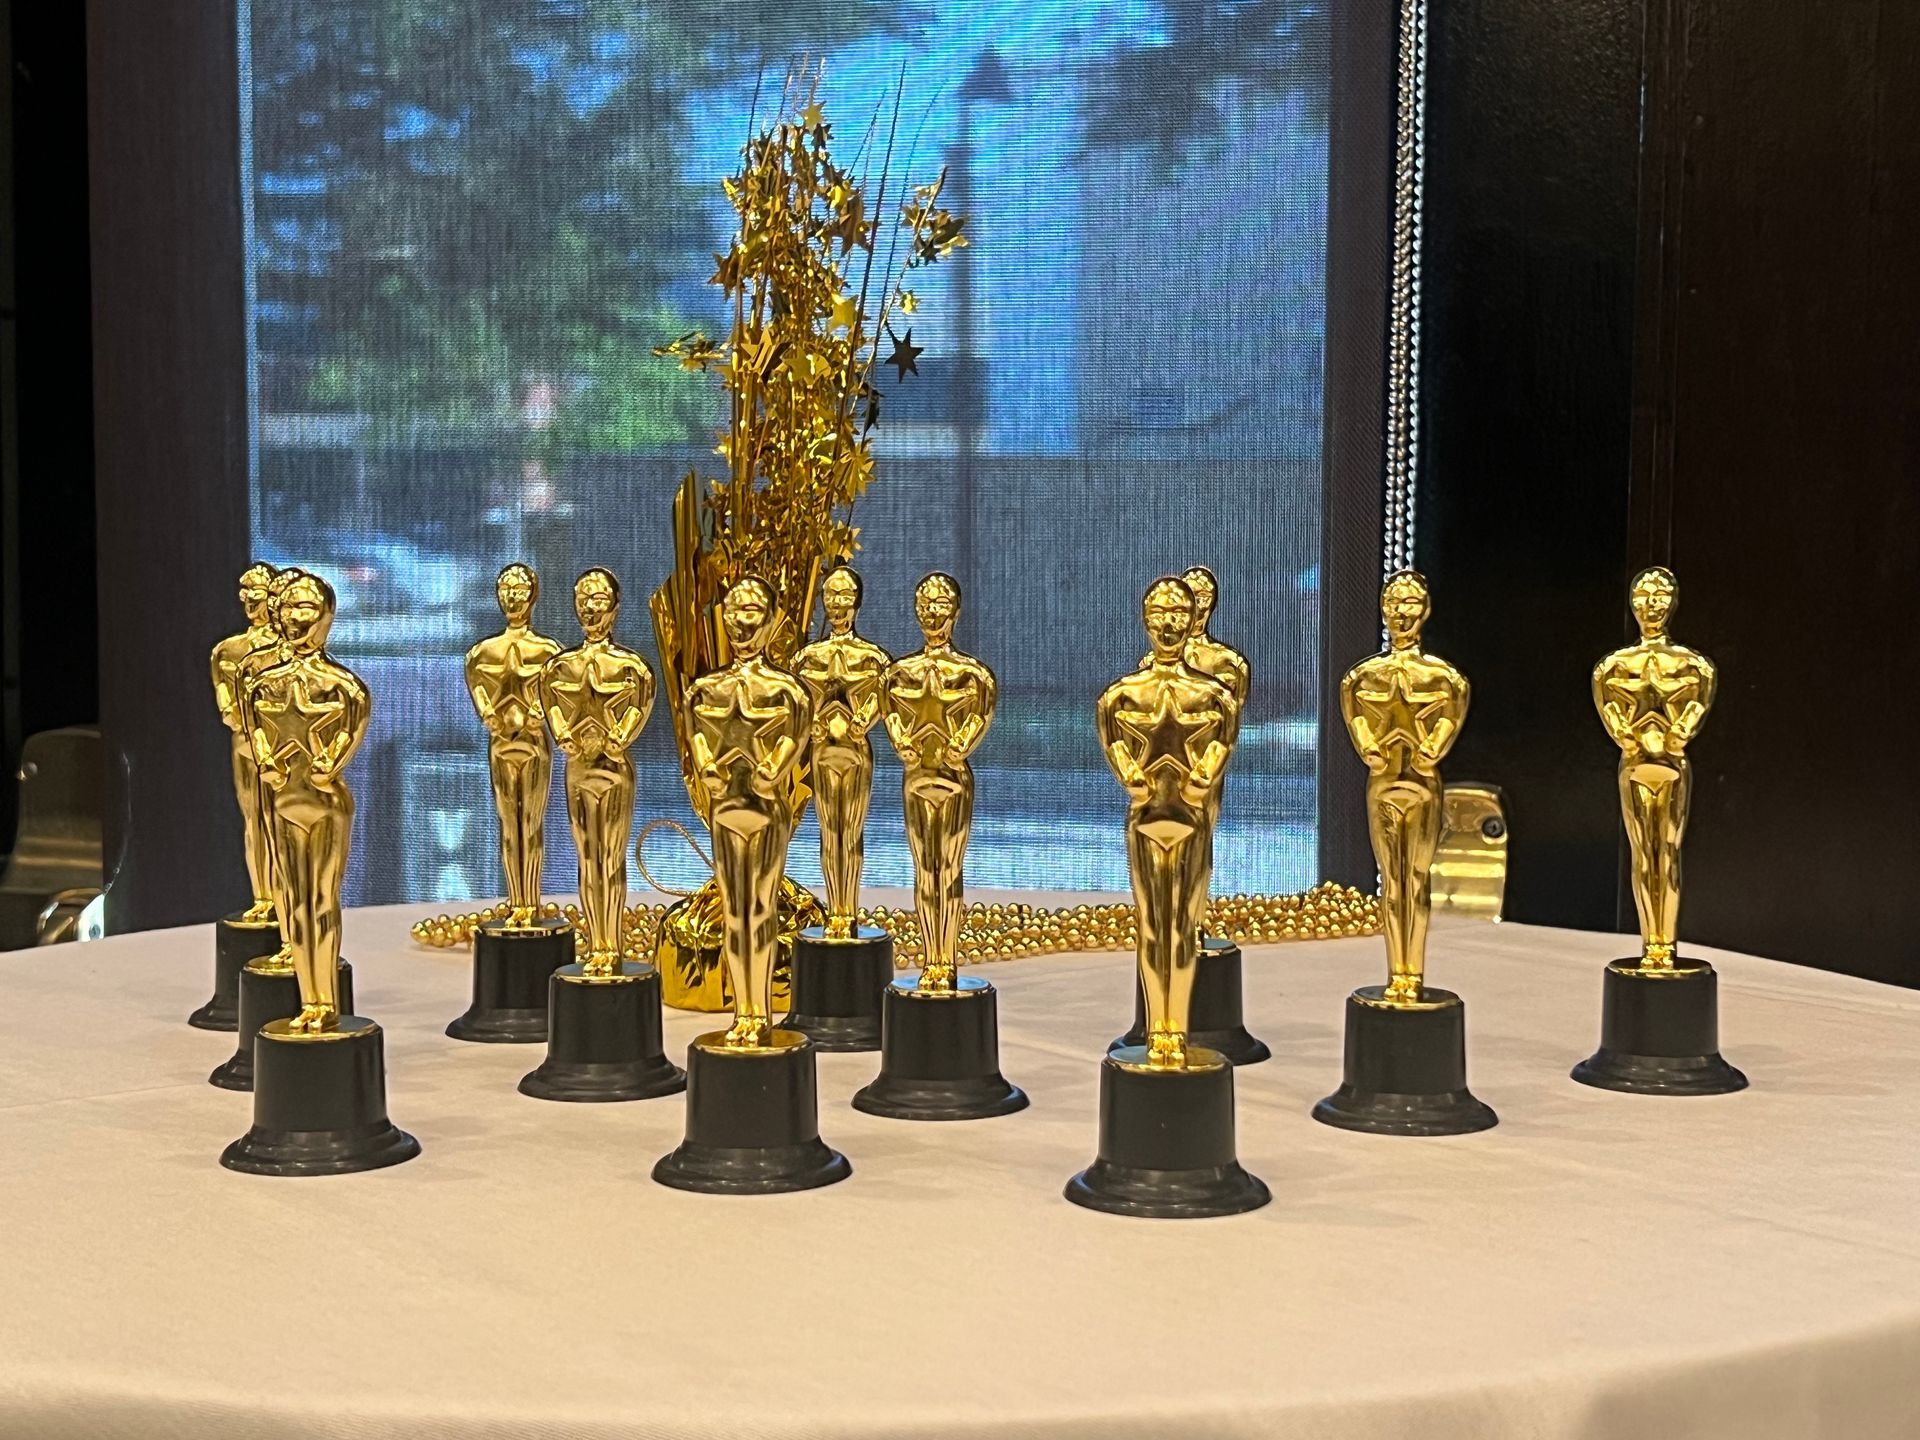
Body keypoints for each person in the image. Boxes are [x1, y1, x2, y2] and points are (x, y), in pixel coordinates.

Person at [1099, 576, 1240, 1068]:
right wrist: (1129, 772)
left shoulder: (1215, 694)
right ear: (1145, 619)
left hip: (1189, 816)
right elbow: (1114, 744)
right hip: (1146, 817)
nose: (1169, 622)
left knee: (1180, 926)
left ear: (1196, 613)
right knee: (1151, 928)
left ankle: (1174, 1032)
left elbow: (1222, 742)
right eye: (1160, 612)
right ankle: (1158, 1031)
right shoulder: (1120, 696)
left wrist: (1204, 771)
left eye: (1178, 611)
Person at [687, 578, 811, 1046]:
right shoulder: (704, 690)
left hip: (765, 811)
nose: (742, 620)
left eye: (753, 610)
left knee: (760, 909)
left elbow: (795, 736)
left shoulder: (788, 691)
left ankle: (760, 1013)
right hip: (725, 810)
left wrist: (775, 766)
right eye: (734, 609)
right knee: (733, 912)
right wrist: (706, 765)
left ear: (774, 620)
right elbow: (696, 736)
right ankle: (742, 1012)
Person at [1339, 570, 1469, 1004]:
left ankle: (1411, 971)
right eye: (1394, 603)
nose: (1401, 612)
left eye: (1410, 603)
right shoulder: (1360, 679)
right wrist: (1367, 742)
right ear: (1383, 609)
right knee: (1392, 880)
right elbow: (1359, 726)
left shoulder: (1446, 679)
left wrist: (1433, 743)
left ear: (1425, 610)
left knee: (1415, 878)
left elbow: (1446, 724)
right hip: (1384, 785)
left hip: (1422, 786)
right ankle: (1398, 972)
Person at [248, 573, 370, 1032]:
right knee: (294, 904)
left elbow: (349, 734)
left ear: (326, 616)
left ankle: (325, 1002)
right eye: (288, 606)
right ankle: (308, 1000)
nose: (295, 617)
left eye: (306, 608)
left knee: (321, 901)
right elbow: (257, 735)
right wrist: (267, 761)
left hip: (324, 804)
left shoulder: (344, 686)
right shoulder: (262, 685)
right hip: (286, 803)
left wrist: (329, 762)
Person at [1593, 566, 1716, 970]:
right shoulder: (1612, 667)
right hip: (1635, 766)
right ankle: (1652, 945)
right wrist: (1623, 728)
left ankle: (1664, 944)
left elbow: (1693, 712)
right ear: (1632, 604)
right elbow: (1613, 717)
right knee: (1643, 855)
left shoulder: (1694, 666)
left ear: (1673, 602)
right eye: (1644, 596)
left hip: (1670, 765)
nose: (1652, 604)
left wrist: (1682, 726)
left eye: (1660, 596)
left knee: (1667, 854)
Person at [882, 573, 997, 993]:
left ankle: (946, 958)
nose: (933, 612)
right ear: (916, 610)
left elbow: (981, 713)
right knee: (923, 870)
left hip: (952, 780)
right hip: (917, 778)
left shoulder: (974, 675)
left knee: (948, 870)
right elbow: (890, 714)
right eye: (926, 604)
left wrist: (963, 739)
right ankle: (931, 958)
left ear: (957, 611)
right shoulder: (898, 674)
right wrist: (899, 737)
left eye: (942, 603)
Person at [540, 568, 654, 976]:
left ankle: (613, 944)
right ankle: (596, 944)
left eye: (599, 600)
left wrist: (622, 734)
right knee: (587, 858)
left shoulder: (632, 667)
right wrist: (561, 732)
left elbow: (640, 704)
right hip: (578, 769)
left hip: (614, 771)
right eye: (584, 599)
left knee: (611, 859)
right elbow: (551, 704)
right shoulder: (559, 667)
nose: (590, 608)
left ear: (615, 607)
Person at [792, 566, 892, 937]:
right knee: (828, 831)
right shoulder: (806, 658)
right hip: (822, 752)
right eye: (830, 595)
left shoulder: (874, 658)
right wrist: (811, 722)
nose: (836, 603)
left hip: (855, 752)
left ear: (857, 601)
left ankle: (848, 910)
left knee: (850, 832)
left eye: (844, 595)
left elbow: (888, 695)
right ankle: (835, 910)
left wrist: (867, 716)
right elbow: (796, 701)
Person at [465, 563, 563, 925]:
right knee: (509, 826)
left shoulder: (549, 651)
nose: (512, 597)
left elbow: (558, 693)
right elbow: (477, 683)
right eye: (506, 589)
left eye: (520, 590)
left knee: (531, 824)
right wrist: (486, 710)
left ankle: (530, 903)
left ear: (533, 595)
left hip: (534, 745)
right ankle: (515, 900)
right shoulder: (482, 652)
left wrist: (542, 710)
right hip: (502, 744)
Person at [210, 562, 280, 924]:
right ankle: (263, 896)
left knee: (280, 820)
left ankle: (285, 899)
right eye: (246, 594)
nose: (251, 600)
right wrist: (232, 710)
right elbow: (224, 697)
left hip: (282, 744)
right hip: (245, 743)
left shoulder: (288, 651)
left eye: (258, 593)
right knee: (254, 820)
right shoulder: (226, 651)